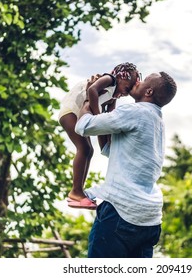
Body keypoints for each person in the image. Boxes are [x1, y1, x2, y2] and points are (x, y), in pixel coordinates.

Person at [75, 71, 177, 257]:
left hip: (122, 212)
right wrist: (110, 103)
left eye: (144, 80)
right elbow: (108, 149)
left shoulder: (135, 112)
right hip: (149, 220)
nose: (138, 80)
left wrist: (88, 100)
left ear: (149, 92)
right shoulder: (156, 121)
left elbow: (84, 126)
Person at [58, 62, 141, 210]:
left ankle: (79, 191)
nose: (124, 94)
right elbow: (92, 90)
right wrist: (97, 117)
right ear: (120, 77)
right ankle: (76, 191)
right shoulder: (109, 79)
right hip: (71, 111)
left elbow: (109, 118)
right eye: (126, 88)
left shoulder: (113, 97)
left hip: (79, 115)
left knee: (89, 151)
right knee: (83, 148)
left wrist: (109, 140)